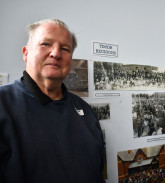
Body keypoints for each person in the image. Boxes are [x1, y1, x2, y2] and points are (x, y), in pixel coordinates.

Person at [0, 19, 105, 183]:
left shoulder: (85, 111)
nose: (56, 53)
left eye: (65, 48)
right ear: (26, 53)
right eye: (46, 44)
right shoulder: (3, 104)